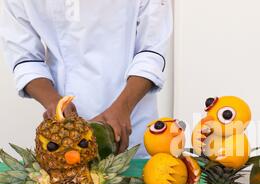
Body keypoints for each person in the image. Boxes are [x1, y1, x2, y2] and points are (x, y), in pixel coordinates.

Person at [0, 0, 173, 158]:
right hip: (65, 135)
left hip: (133, 122)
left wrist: (124, 108)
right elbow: (25, 58)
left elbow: (151, 52)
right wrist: (53, 102)